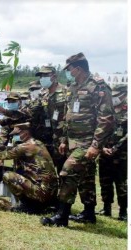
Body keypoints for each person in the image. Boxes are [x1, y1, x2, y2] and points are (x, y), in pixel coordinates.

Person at [41, 52, 115, 227]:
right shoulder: (73, 86)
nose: (68, 72)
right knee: (86, 177)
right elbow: (69, 115)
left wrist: (96, 145)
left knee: (68, 172)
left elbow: (106, 118)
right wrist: (64, 141)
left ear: (79, 68)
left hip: (88, 142)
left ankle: (61, 215)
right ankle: (89, 213)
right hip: (73, 140)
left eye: (70, 69)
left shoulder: (97, 86)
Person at [0, 122, 59, 214]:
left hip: (42, 192)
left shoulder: (26, 146)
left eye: (19, 134)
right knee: (20, 170)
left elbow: (7, 155)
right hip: (51, 192)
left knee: (8, 176)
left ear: (26, 133)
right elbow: (15, 149)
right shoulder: (37, 143)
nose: (18, 137)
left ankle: (28, 206)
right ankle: (39, 204)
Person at [96, 84, 127, 221]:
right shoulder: (106, 110)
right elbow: (99, 129)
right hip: (104, 153)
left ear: (124, 94)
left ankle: (123, 212)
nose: (113, 99)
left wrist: (115, 149)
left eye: (116, 96)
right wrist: (101, 147)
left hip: (122, 155)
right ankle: (106, 208)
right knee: (105, 182)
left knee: (121, 184)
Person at [32, 65, 67, 174]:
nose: (42, 78)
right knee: (47, 175)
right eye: (41, 76)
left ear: (54, 76)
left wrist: (65, 139)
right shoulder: (42, 94)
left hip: (62, 142)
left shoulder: (66, 92)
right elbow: (31, 111)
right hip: (47, 141)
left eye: (45, 75)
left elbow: (71, 118)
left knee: (63, 175)